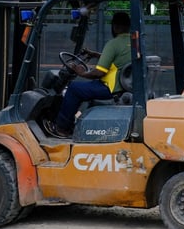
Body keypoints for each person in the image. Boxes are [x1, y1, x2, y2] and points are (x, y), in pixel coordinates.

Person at [53, 10, 132, 138]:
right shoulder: (134, 42)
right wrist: (95, 55)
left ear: (115, 26)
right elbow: (119, 59)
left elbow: (99, 72)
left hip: (110, 88)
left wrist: (82, 72)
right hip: (123, 87)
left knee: (74, 88)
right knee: (83, 87)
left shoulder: (113, 44)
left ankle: (62, 128)